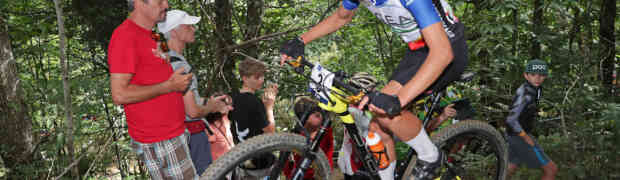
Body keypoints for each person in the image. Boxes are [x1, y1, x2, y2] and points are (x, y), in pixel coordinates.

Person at [280, 1, 468, 179]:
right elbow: (342, 16)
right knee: (376, 129)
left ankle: (431, 156)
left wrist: (398, 100)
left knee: (387, 111)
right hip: (418, 50)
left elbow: (443, 52)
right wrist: (301, 40)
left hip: (447, 49)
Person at [108, 0, 198, 179]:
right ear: (140, 3)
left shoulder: (154, 34)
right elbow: (119, 94)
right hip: (161, 137)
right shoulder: (125, 36)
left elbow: (165, 60)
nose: (166, 5)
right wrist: (168, 86)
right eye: (160, 1)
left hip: (174, 131)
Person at [157, 9, 233, 175]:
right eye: (188, 25)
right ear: (174, 31)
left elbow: (184, 101)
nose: (194, 29)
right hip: (192, 135)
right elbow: (192, 112)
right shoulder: (178, 65)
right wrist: (211, 107)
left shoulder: (165, 59)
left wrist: (211, 102)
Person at [505, 59, 558, 180]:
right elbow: (511, 119)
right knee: (551, 169)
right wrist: (525, 136)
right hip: (519, 135)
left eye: (542, 75)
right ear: (526, 75)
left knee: (510, 167)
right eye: (533, 75)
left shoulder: (536, 89)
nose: (538, 78)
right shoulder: (526, 93)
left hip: (513, 134)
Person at [228, 58, 279, 179]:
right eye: (257, 77)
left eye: (262, 76)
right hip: (260, 162)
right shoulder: (255, 102)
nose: (261, 80)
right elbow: (270, 132)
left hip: (240, 158)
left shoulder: (232, 97)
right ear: (244, 78)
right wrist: (269, 107)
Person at [283, 97, 334, 179]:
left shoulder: (325, 131)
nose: (320, 116)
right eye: (315, 115)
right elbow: (287, 167)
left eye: (319, 112)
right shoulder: (295, 138)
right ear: (304, 118)